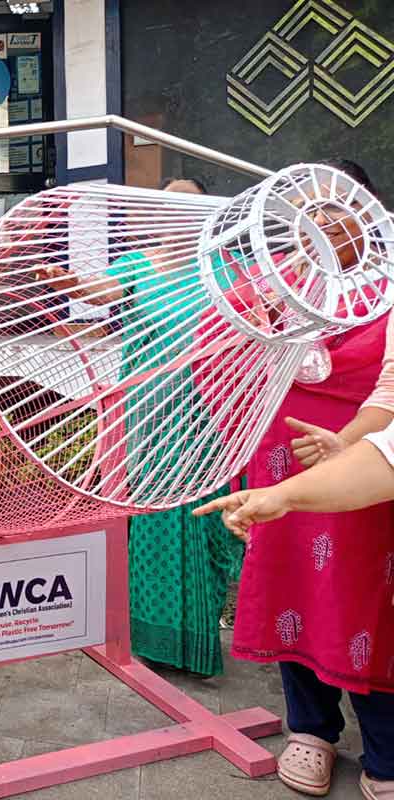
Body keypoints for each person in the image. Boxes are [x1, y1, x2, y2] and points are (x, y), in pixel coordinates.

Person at [195, 159, 393, 800]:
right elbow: (216, 359)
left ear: (366, 210)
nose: (319, 226)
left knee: (371, 596)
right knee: (292, 584)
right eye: (303, 214)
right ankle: (311, 730)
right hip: (282, 457)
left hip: (373, 463)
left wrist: (352, 442)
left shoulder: (388, 286)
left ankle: (385, 745)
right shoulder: (269, 284)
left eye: (333, 210)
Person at [35, 177, 242, 676]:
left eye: (189, 208)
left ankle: (199, 633)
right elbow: (99, 290)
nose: (177, 218)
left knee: (204, 521)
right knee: (154, 521)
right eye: (170, 207)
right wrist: (68, 284)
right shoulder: (134, 265)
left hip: (206, 412)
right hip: (148, 415)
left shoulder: (220, 271)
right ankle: (155, 640)